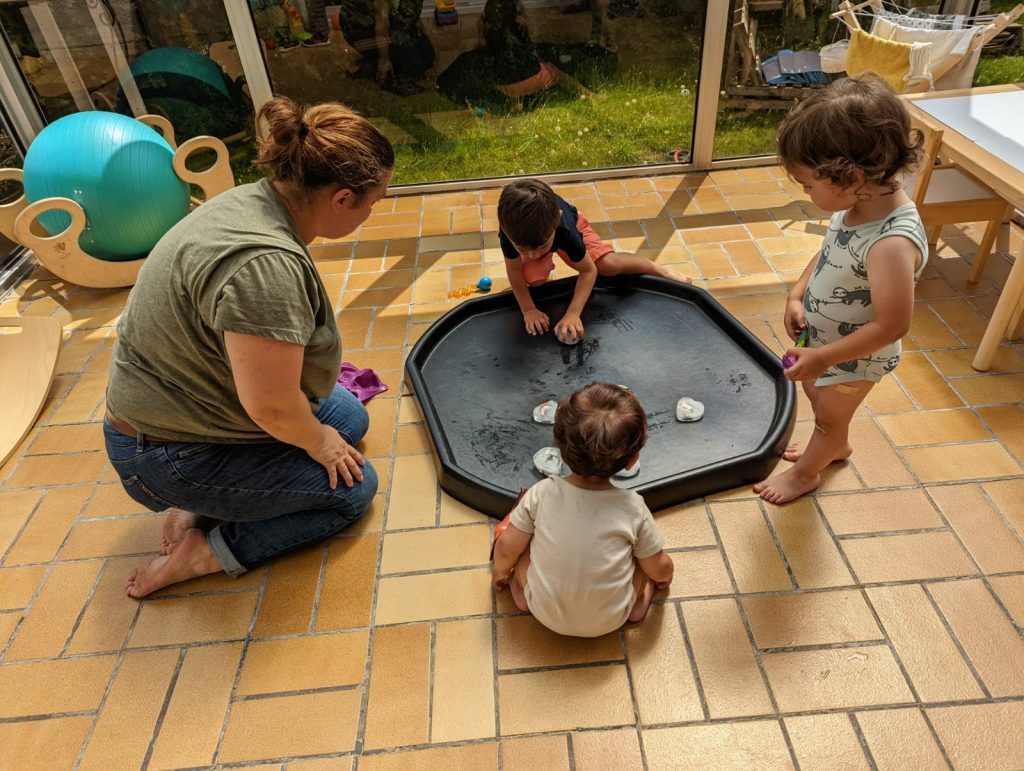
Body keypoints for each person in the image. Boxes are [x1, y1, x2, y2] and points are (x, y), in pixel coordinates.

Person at [103, 96, 394, 598]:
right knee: (352, 492)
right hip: (164, 453)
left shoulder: (257, 201)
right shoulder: (263, 269)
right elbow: (272, 406)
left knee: (349, 418)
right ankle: (206, 551)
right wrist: (315, 442)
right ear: (342, 198)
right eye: (374, 201)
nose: (373, 212)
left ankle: (210, 501)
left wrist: (318, 433)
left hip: (188, 410)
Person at [754, 73, 928, 504]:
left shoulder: (891, 242)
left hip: (856, 358)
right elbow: (832, 250)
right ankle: (837, 445)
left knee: (828, 417)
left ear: (850, 177)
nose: (806, 191)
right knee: (819, 397)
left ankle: (808, 473)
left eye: (808, 184)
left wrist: (822, 357)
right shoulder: (859, 207)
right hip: (825, 343)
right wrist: (798, 292)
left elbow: (893, 325)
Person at [491, 382, 674, 637]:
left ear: (561, 451)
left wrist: (500, 571)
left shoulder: (541, 493)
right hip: (612, 618)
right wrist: (665, 576)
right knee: (643, 559)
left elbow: (507, 548)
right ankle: (637, 605)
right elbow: (659, 567)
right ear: (632, 461)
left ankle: (522, 595)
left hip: (543, 611)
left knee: (520, 542)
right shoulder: (633, 508)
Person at [498, 178, 690, 343]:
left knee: (606, 266)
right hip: (535, 235)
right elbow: (514, 271)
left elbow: (588, 271)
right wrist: (529, 309)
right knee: (533, 279)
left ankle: (657, 268)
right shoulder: (512, 233)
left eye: (540, 250)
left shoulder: (564, 229)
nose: (532, 256)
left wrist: (573, 313)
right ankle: (540, 269)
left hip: (569, 225)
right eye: (523, 250)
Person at [338, 0, 435, 95]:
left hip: (384, 22)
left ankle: (382, 58)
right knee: (413, 67)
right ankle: (375, 68)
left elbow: (410, 15)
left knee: (429, 58)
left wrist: (422, 37)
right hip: (360, 29)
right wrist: (384, 59)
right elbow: (381, 22)